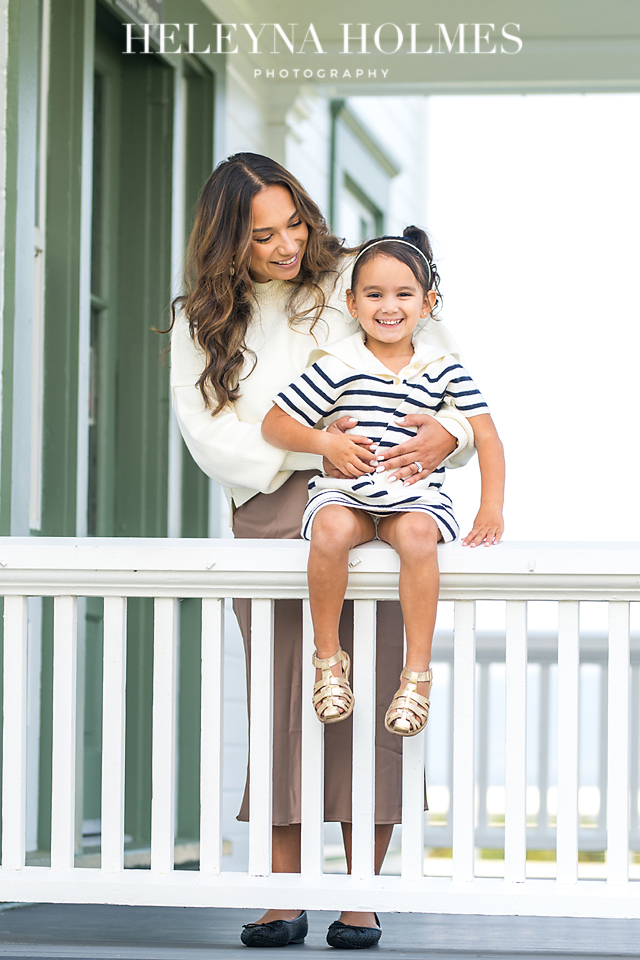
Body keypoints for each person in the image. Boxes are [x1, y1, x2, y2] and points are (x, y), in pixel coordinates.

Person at [169, 154, 476, 949]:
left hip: (378, 500)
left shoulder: (358, 278)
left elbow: (443, 371)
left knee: (373, 687)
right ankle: (282, 891)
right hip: (272, 510)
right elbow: (210, 434)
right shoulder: (197, 320)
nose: (285, 246)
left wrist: (458, 434)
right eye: (262, 236)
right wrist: (315, 449)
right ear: (226, 241)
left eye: (294, 224)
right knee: (283, 698)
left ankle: (361, 893)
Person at [262, 229, 505, 739]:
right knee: (327, 531)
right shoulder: (340, 363)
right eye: (373, 294)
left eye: (403, 294)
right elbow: (276, 424)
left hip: (414, 497)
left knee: (419, 539)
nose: (388, 306)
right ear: (351, 302)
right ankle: (328, 659)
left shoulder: (443, 368)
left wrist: (491, 509)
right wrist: (325, 445)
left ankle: (416, 676)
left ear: (427, 302)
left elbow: (487, 437)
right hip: (348, 493)